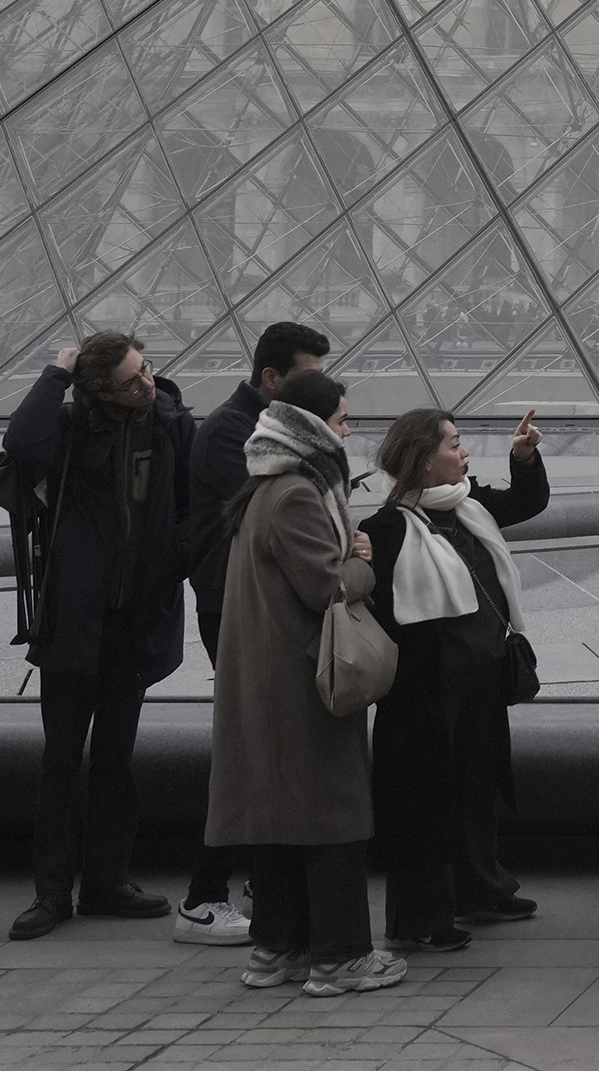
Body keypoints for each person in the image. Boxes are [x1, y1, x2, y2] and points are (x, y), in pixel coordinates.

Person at [206, 368, 398, 997]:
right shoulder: (295, 494)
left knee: (278, 822)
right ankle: (340, 958)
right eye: (342, 421)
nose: (349, 432)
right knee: (332, 819)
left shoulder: (264, 489)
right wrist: (363, 565)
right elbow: (329, 586)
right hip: (304, 681)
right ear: (314, 429)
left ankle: (277, 950)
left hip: (269, 681)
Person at [1, 329, 193, 939]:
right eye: (131, 380)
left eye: (148, 371)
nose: (147, 385)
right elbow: (20, 442)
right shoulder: (70, 426)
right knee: (62, 760)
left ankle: (107, 881)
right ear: (96, 389)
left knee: (115, 758)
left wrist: (172, 571)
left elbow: (190, 507)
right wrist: (56, 372)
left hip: (136, 618)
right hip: (73, 618)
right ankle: (52, 892)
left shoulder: (172, 424)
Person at [365, 406, 548, 954]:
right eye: (453, 444)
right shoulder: (386, 528)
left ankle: (480, 888)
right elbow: (380, 609)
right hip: (426, 688)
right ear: (423, 463)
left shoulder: (468, 506)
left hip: (482, 675)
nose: (463, 451)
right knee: (424, 798)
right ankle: (421, 916)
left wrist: (524, 457)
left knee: (477, 785)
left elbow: (527, 502)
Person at [178, 319, 331, 946]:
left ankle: (261, 886)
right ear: (271, 378)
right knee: (249, 747)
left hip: (257, 602)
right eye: (310, 379)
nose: (323, 395)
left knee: (265, 745)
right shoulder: (232, 435)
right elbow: (284, 509)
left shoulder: (254, 427)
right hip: (238, 609)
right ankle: (203, 896)